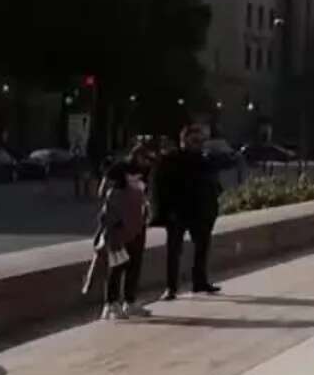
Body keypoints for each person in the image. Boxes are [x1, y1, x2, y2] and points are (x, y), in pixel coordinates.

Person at [155, 124, 223, 299]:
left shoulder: (205, 160)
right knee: (174, 251)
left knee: (202, 247)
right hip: (177, 213)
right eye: (194, 140)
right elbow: (159, 188)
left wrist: (213, 206)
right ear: (183, 141)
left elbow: (214, 184)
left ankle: (199, 282)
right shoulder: (170, 160)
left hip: (201, 212)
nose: (198, 144)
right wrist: (164, 212)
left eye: (201, 141)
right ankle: (171, 287)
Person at [94, 149, 152, 319]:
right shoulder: (120, 168)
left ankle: (130, 302)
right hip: (118, 226)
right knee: (117, 265)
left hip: (136, 223)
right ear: (136, 156)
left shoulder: (146, 170)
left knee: (135, 264)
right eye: (145, 158)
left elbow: (145, 194)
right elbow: (102, 191)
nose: (147, 163)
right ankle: (111, 304)